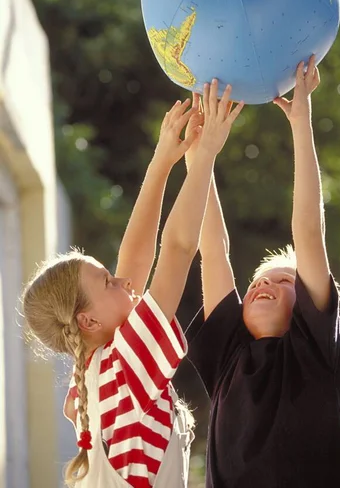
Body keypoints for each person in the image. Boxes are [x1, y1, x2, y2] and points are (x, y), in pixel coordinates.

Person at [22, 84, 244, 488]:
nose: (122, 280)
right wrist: (206, 152)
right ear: (86, 319)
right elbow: (176, 249)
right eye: (107, 282)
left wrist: (163, 160)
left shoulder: (93, 369)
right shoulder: (123, 364)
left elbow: (135, 262)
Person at [184, 58, 340, 488]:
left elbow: (308, 233)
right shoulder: (230, 355)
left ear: (308, 306)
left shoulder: (314, 351)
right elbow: (214, 248)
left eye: (285, 281)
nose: (264, 283)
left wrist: (302, 121)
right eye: (259, 282)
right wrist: (198, 155)